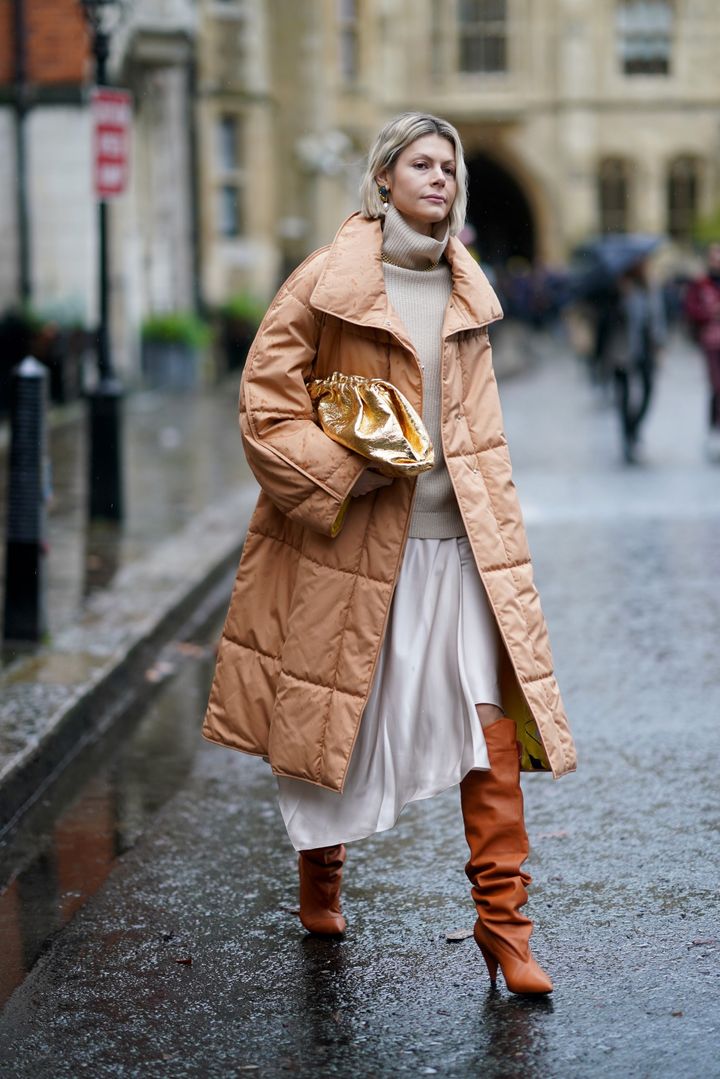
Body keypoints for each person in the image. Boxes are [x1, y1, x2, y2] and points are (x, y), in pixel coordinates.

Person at [203, 113, 576, 995]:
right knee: (339, 718)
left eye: (450, 166)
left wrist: (500, 531)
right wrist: (350, 470)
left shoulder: (471, 291)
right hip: (358, 547)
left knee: (489, 729)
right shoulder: (325, 280)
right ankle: (321, 873)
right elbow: (265, 406)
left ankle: (505, 924)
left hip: (463, 550)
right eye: (422, 163)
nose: (441, 177)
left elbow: (481, 437)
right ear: (383, 179)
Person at [606, 258, 666, 464]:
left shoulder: (650, 286)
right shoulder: (615, 287)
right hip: (621, 348)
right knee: (623, 396)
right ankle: (627, 438)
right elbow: (606, 318)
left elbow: (657, 316)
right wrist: (621, 296)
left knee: (648, 390)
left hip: (645, 347)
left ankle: (633, 428)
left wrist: (660, 342)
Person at [684, 243, 720, 461]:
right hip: (712, 342)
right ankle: (714, 430)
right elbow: (691, 309)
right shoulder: (701, 284)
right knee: (717, 387)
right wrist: (709, 312)